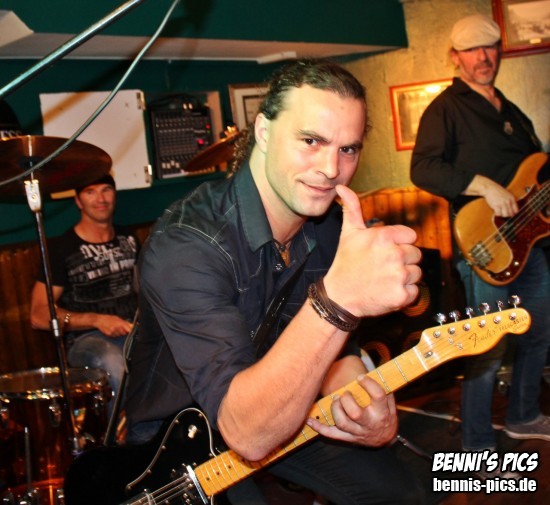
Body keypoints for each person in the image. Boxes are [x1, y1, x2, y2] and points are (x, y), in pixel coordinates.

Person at [124, 58, 425, 504]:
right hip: (176, 446)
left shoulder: (331, 226)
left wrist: (367, 401)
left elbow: (336, 348)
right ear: (263, 132)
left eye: (348, 149)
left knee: (401, 492)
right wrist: (340, 298)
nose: (331, 168)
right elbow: (247, 432)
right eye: (311, 141)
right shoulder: (186, 245)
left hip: (284, 401)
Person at [410, 14, 550, 461]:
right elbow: (423, 168)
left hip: (530, 243)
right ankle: (476, 442)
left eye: (490, 47)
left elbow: (534, 171)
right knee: (487, 347)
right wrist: (485, 186)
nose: (483, 57)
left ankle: (524, 415)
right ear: (455, 57)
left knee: (539, 333)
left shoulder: (511, 111)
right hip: (485, 245)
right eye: (472, 50)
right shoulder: (446, 109)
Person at [30, 173, 139, 411]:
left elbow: (142, 289)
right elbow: (38, 315)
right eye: (91, 192)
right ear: (78, 201)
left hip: (132, 331)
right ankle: (123, 435)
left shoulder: (128, 239)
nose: (101, 199)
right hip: (86, 340)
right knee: (113, 362)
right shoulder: (62, 249)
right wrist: (96, 320)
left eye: (106, 190)